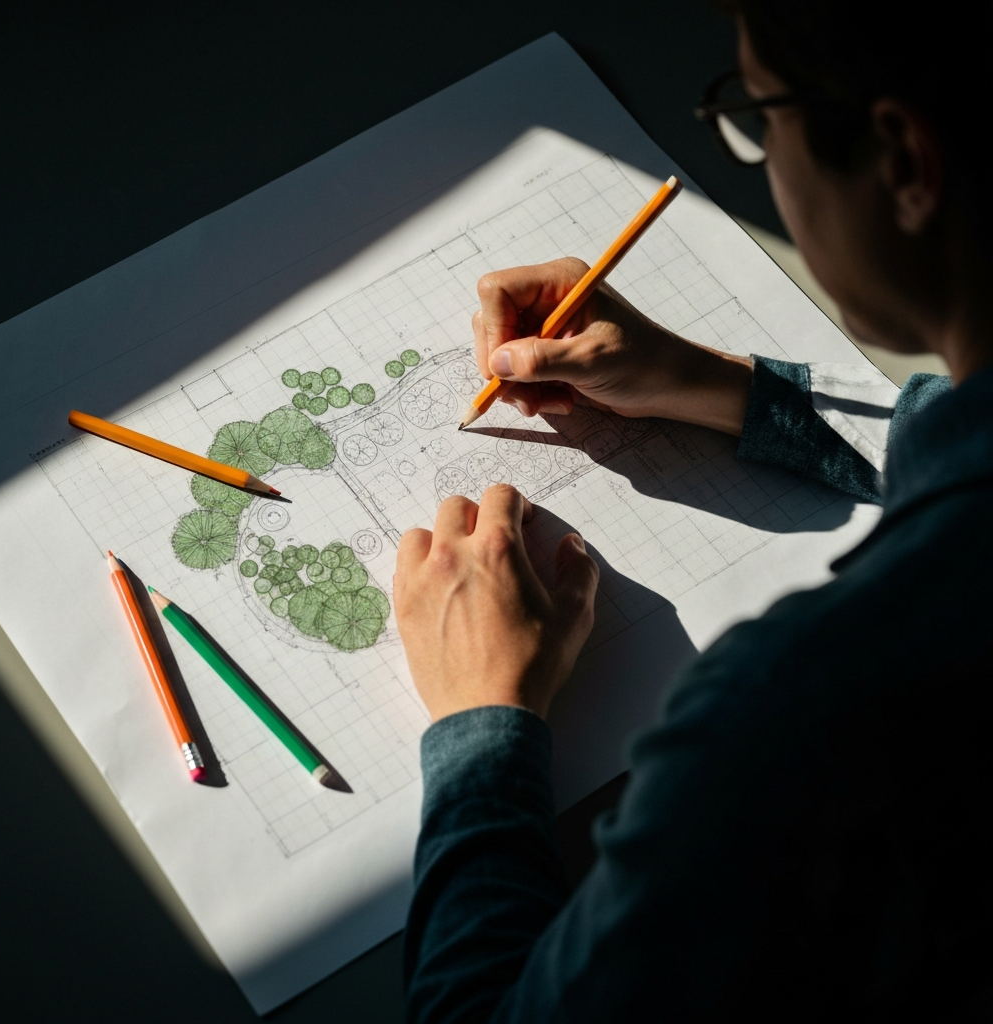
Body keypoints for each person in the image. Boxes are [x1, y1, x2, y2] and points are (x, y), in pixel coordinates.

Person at [396, 1, 993, 1019]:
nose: (759, 155)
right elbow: (952, 440)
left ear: (903, 161)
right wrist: (715, 383)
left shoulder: (794, 715)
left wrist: (480, 722)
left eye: (759, 116)